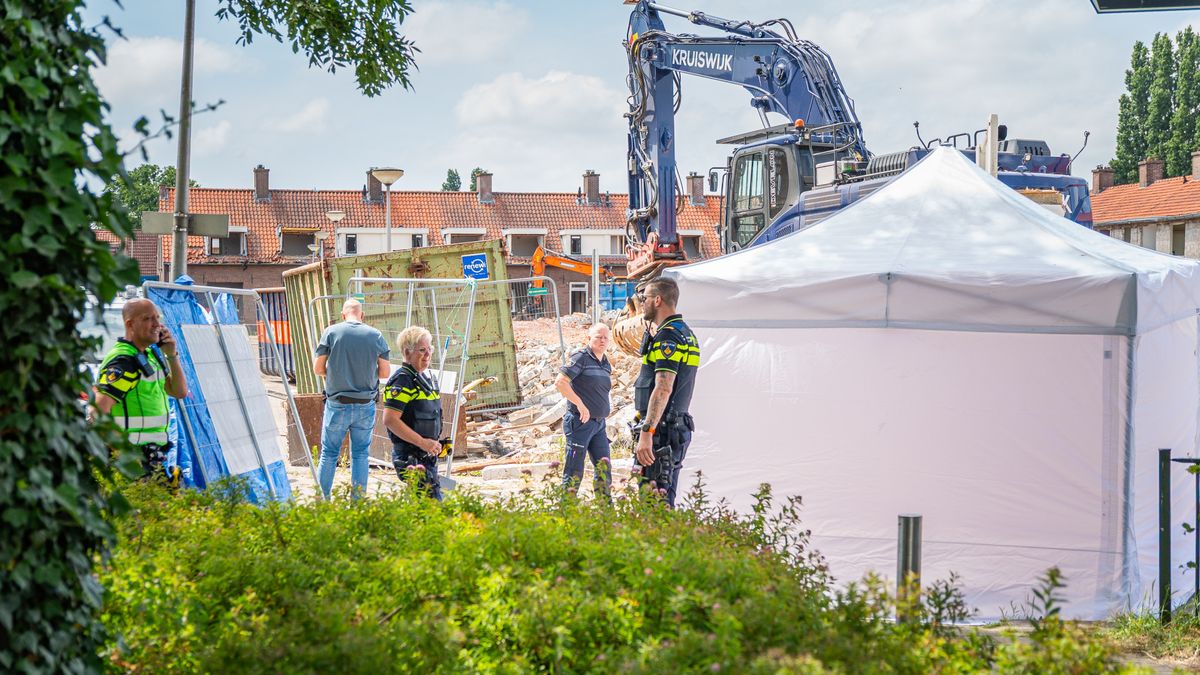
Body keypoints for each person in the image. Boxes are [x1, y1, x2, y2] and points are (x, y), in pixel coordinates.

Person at [93, 298, 189, 480]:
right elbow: (97, 412)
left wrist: (171, 354)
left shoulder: (148, 355)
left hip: (151, 457)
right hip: (132, 462)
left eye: (157, 318)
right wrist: (121, 454)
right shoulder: (124, 360)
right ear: (130, 324)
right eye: (148, 319)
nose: (156, 324)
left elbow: (179, 391)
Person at [314, 298, 390, 500]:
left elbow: (318, 368)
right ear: (362, 315)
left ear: (343, 315)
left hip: (337, 404)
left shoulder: (331, 332)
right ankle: (357, 504)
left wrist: (335, 374)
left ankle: (322, 502)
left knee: (329, 454)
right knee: (360, 455)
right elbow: (384, 373)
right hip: (365, 405)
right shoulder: (376, 335)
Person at [633, 276, 699, 507]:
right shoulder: (685, 332)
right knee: (664, 496)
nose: (642, 303)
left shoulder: (668, 337)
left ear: (658, 300)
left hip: (662, 432)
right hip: (674, 427)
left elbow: (663, 387)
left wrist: (647, 432)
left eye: (645, 298)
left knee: (653, 503)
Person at [382, 326, 444, 500]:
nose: (427, 355)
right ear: (407, 352)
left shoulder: (422, 378)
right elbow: (390, 420)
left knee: (425, 508)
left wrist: (433, 443)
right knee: (431, 509)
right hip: (412, 457)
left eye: (429, 349)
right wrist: (422, 442)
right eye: (422, 350)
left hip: (427, 456)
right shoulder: (403, 380)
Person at [555, 323, 613, 498]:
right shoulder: (580, 358)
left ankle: (606, 515)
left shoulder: (605, 363)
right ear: (588, 338)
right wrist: (580, 404)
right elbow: (560, 382)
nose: (602, 340)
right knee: (574, 471)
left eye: (605, 338)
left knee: (604, 469)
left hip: (599, 425)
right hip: (580, 423)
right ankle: (567, 513)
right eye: (598, 337)